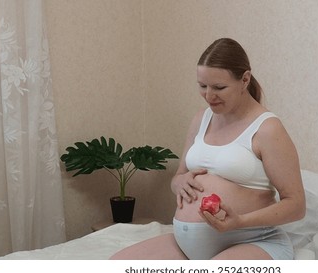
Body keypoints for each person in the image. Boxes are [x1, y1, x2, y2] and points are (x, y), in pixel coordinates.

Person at [110, 38, 305, 260]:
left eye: (219, 87)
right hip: (186, 244)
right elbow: (179, 177)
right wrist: (179, 183)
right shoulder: (200, 119)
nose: (209, 96)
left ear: (245, 79)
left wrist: (239, 222)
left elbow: (296, 205)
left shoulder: (268, 129)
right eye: (203, 86)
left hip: (251, 240)